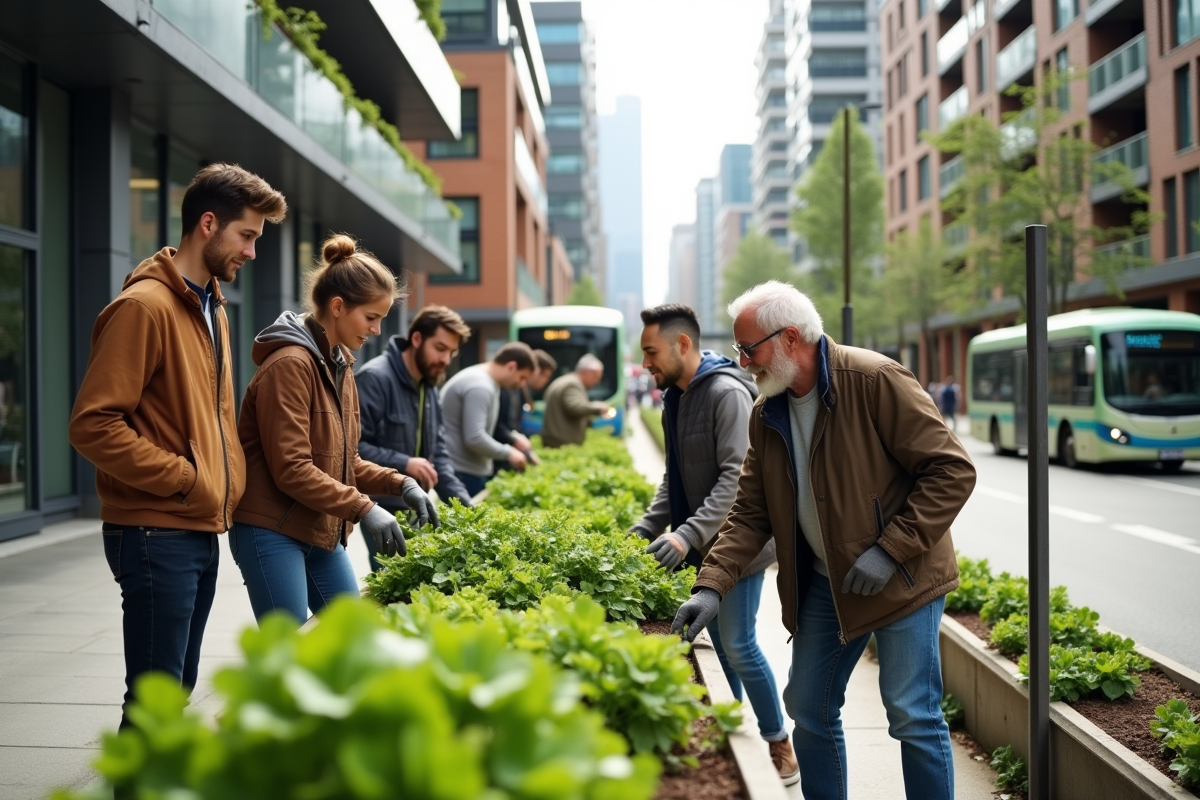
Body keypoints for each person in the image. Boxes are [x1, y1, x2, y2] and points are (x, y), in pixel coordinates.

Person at [670, 280, 977, 800]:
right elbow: (750, 511)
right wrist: (711, 585)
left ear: (791, 337)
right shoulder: (766, 411)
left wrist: (889, 549)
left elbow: (951, 471)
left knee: (912, 716)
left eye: (749, 349)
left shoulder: (875, 379)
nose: (743, 362)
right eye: (739, 350)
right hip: (825, 585)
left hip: (901, 579)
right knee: (808, 708)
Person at [68, 163, 287, 727]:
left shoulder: (211, 306)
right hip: (153, 529)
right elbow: (94, 424)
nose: (252, 252)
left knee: (176, 689)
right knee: (155, 699)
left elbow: (211, 417)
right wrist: (187, 478)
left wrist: (223, 484)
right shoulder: (145, 307)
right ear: (208, 224)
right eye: (247, 236)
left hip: (195, 525)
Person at [629, 304, 797, 785]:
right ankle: (733, 726)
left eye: (651, 352)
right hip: (703, 545)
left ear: (683, 344)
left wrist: (685, 534)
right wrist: (646, 527)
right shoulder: (675, 399)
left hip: (739, 548)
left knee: (740, 645)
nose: (646, 364)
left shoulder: (726, 394)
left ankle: (778, 743)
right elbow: (674, 477)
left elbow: (736, 481)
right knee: (722, 648)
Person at [231, 235, 438, 623]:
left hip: (320, 528)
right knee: (289, 659)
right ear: (338, 307)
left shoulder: (340, 364)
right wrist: (365, 508)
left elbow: (345, 461)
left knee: (353, 639)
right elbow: (292, 468)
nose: (377, 330)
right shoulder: (290, 364)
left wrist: (401, 483)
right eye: (371, 317)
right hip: (271, 529)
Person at [356, 305, 475, 570]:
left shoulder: (430, 386)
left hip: (416, 504)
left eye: (451, 353)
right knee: (392, 586)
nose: (446, 359)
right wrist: (405, 462)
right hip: (381, 505)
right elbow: (350, 450)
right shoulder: (374, 378)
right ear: (417, 339)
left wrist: (465, 505)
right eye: (440, 348)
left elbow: (438, 455)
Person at [441, 343, 537, 497]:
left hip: (462, 470)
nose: (522, 384)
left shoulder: (484, 379)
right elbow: (474, 438)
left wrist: (513, 438)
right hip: (461, 473)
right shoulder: (481, 386)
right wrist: (509, 452)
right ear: (511, 366)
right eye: (522, 377)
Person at [493, 349, 557, 472]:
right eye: (546, 376)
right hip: (497, 459)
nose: (546, 381)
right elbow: (499, 425)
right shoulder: (507, 387)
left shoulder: (519, 390)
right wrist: (514, 438)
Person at [541, 354, 612, 448]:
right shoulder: (573, 384)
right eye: (596, 377)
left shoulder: (568, 381)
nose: (597, 382)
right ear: (586, 373)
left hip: (557, 441)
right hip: (562, 443)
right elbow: (575, 407)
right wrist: (598, 407)